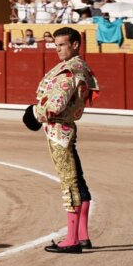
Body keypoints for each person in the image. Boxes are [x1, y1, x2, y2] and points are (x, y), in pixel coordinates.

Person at [24, 26, 98, 253]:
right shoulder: (77, 66)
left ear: (75, 44)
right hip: (65, 129)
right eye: (56, 46)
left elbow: (56, 105)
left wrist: (34, 113)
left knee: (69, 182)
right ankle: (82, 236)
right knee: (77, 179)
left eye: (62, 45)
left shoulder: (70, 70)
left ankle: (72, 240)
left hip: (59, 130)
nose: (58, 49)